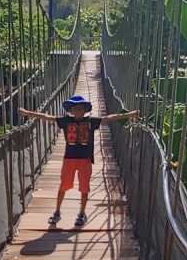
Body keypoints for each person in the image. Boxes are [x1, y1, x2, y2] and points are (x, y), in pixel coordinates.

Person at [18, 95, 138, 228]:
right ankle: (57, 211)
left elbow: (108, 118)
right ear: (71, 110)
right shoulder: (65, 121)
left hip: (84, 159)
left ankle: (82, 213)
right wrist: (27, 113)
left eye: (81, 108)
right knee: (63, 185)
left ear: (85, 110)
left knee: (84, 187)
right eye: (75, 108)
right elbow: (47, 117)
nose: (78, 111)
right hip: (69, 159)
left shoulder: (91, 122)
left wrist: (129, 115)